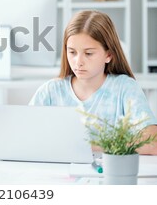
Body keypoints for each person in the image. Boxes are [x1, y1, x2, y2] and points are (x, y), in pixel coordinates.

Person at [30, 10, 157, 154]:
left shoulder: (125, 88)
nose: (78, 62)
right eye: (72, 52)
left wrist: (88, 146)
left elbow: (153, 141)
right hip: (58, 173)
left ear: (108, 55)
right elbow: (25, 135)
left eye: (88, 53)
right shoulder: (50, 91)